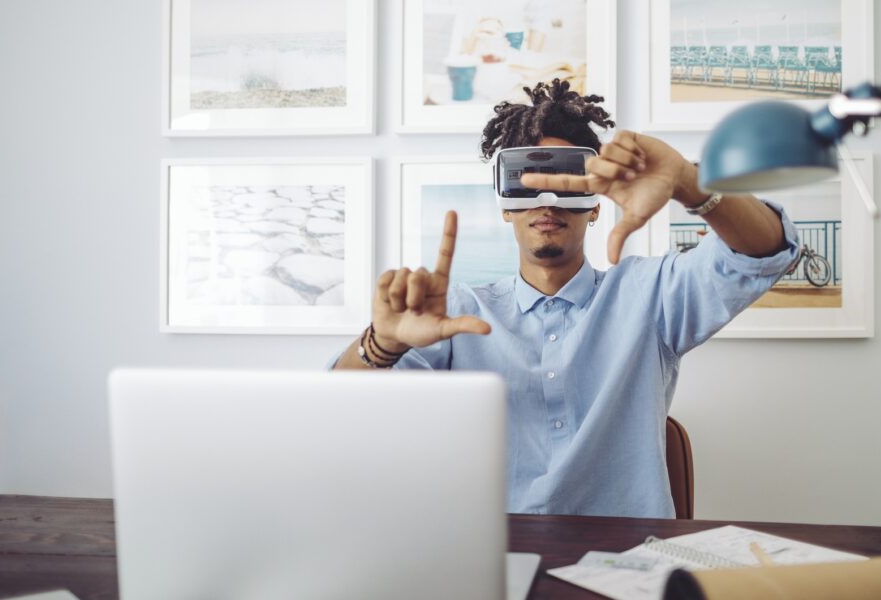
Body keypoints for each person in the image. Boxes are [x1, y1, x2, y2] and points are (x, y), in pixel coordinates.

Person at [333, 79, 800, 518]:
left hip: (631, 558)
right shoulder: (455, 315)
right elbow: (336, 410)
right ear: (505, 203)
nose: (548, 198)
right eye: (528, 180)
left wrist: (686, 181)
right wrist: (384, 344)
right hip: (494, 553)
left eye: (567, 179)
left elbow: (764, 252)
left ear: (596, 203)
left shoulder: (650, 296)